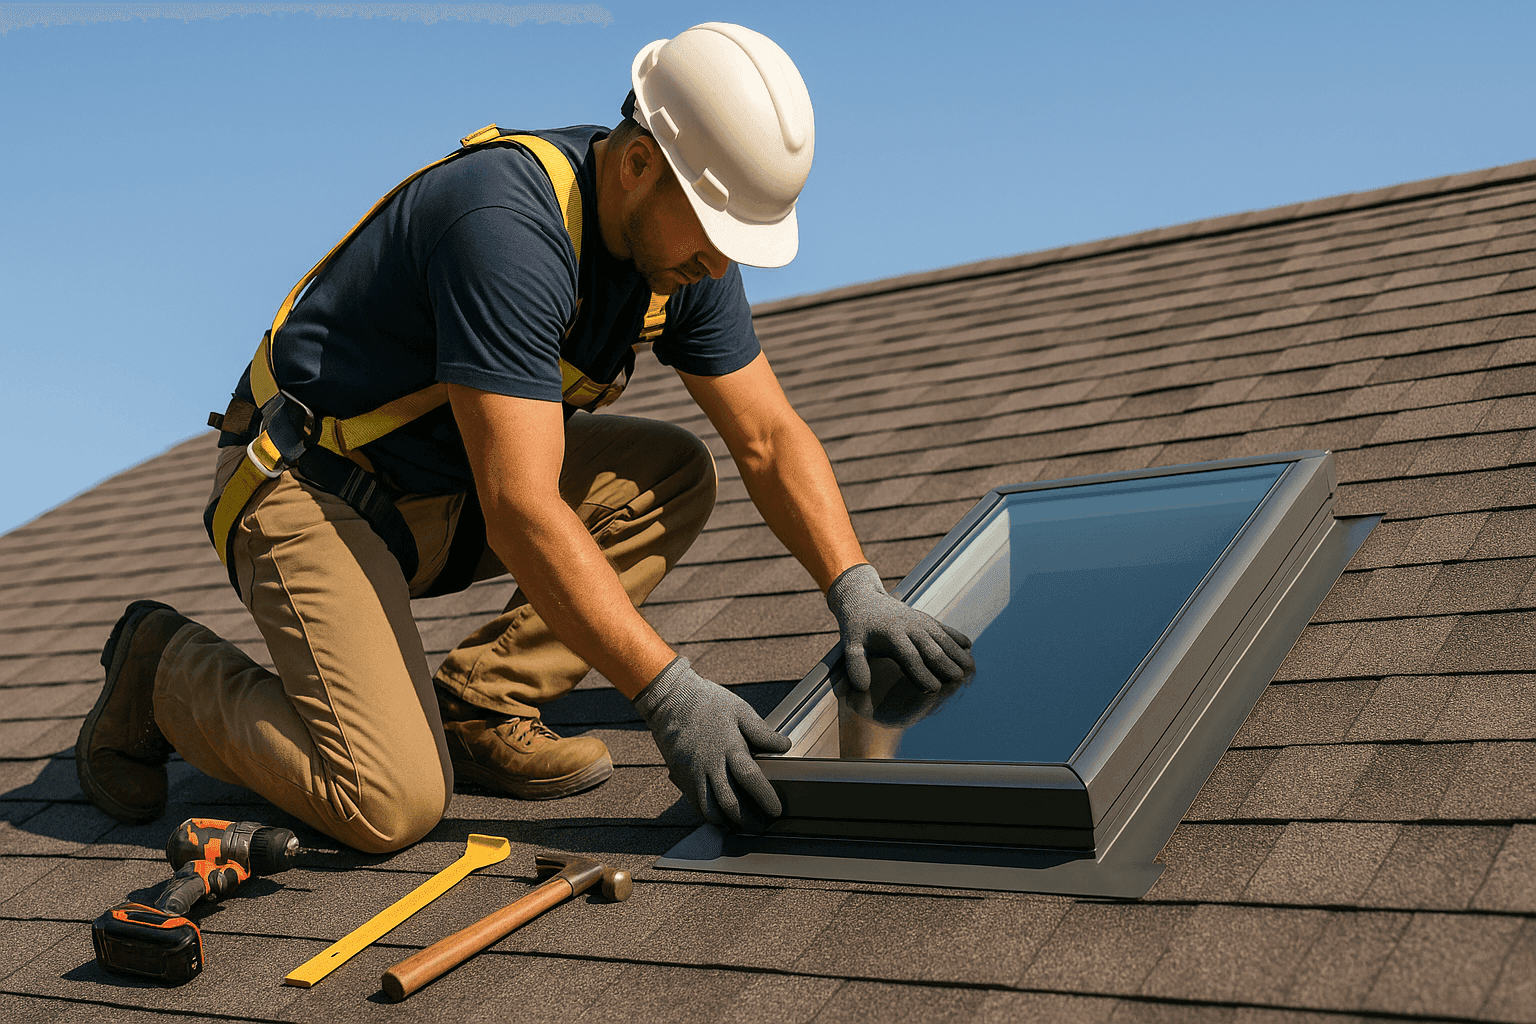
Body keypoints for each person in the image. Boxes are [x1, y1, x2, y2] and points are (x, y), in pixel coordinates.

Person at [75, 22, 973, 854]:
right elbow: (520, 509)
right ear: (637, 164)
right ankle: (165, 671)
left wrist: (856, 589)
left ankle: (478, 707)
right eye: (716, 229)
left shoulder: (682, 251)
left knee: (669, 473)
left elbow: (770, 437)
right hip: (309, 485)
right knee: (387, 802)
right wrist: (669, 695)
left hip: (438, 490)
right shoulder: (506, 227)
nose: (723, 263)